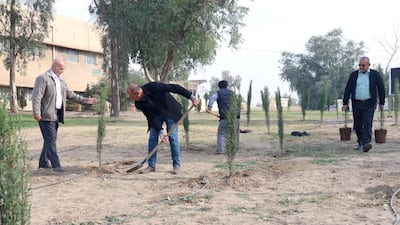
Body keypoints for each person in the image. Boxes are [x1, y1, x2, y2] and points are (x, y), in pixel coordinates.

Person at [32, 59, 97, 172]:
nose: (63, 70)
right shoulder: (43, 78)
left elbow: (70, 95)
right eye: (61, 68)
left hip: (56, 114)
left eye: (63, 68)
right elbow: (36, 96)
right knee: (51, 140)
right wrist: (36, 112)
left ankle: (43, 163)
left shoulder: (61, 82)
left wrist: (85, 100)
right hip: (45, 115)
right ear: (54, 66)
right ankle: (56, 165)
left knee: (49, 139)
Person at [127, 82, 198, 174]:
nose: (131, 98)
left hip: (170, 111)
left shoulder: (154, 87)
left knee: (173, 138)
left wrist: (191, 97)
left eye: (131, 96)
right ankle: (151, 166)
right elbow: (150, 117)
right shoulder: (139, 103)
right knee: (153, 137)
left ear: (137, 93)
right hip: (156, 117)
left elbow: (174, 88)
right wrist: (160, 131)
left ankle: (176, 166)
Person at [343, 56, 385, 152]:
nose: (361, 67)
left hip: (369, 103)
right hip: (357, 103)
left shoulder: (375, 74)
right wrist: (345, 102)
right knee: (357, 124)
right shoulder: (354, 75)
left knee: (367, 123)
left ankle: (366, 143)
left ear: (369, 65)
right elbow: (348, 89)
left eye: (363, 65)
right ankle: (360, 142)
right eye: (359, 65)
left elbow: (381, 88)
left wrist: (382, 102)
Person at [206, 80, 241, 155]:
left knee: (221, 133)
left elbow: (212, 98)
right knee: (235, 133)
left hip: (225, 117)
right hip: (236, 116)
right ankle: (234, 150)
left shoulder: (218, 93)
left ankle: (220, 150)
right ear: (227, 85)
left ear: (219, 86)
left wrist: (209, 108)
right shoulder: (232, 93)